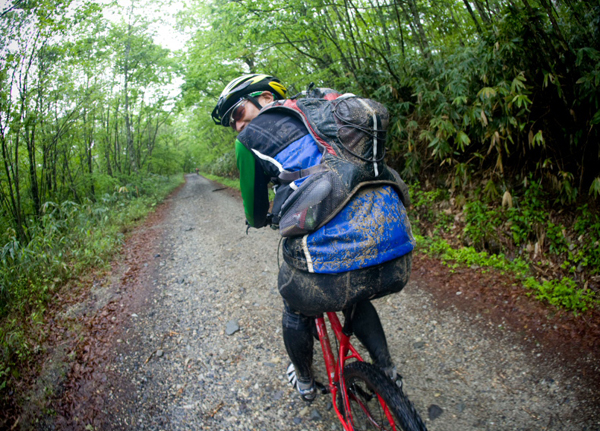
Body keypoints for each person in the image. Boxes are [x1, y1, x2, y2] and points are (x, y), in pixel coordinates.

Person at [211, 74, 415, 402]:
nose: (237, 125)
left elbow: (255, 212)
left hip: (330, 274)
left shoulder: (249, 139)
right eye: (231, 123)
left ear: (265, 97)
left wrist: (262, 218)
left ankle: (304, 382)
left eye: (237, 112)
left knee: (296, 305)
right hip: (399, 253)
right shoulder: (327, 108)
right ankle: (387, 370)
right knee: (355, 297)